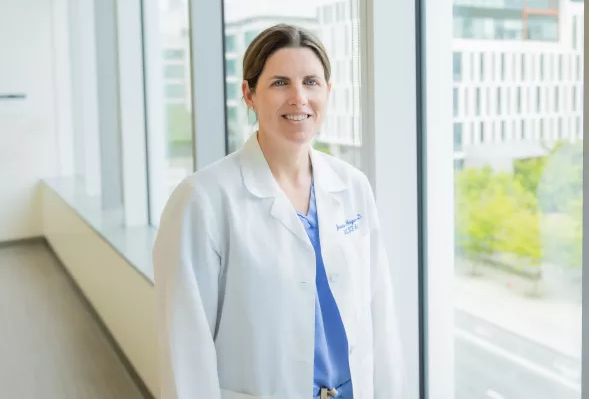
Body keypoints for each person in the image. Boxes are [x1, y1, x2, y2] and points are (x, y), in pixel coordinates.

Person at [152, 24, 404, 399]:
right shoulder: (203, 200)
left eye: (312, 82)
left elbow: (379, 317)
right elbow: (185, 349)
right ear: (249, 94)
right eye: (280, 83)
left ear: (328, 92)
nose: (299, 98)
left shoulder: (352, 186)